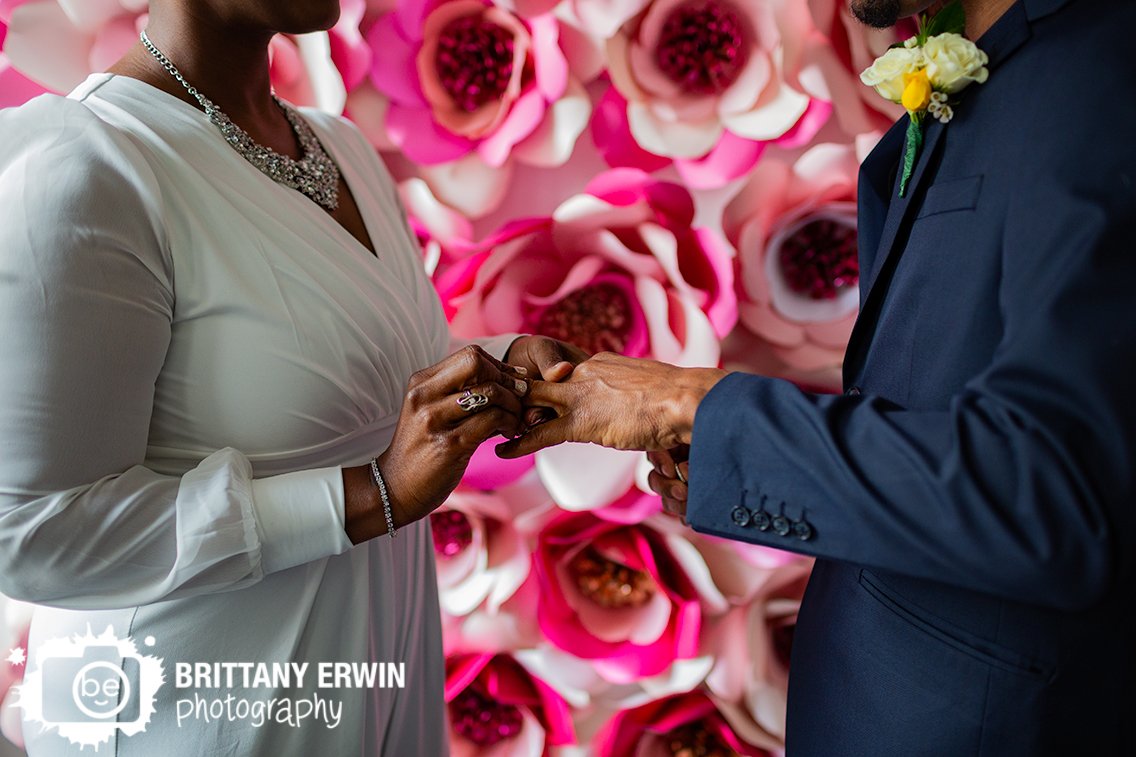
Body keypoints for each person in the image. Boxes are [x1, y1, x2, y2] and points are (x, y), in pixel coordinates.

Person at [500, 0, 1136, 752]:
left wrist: (697, 405)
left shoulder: (1101, 73)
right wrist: (740, 457)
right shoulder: (988, 71)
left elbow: (1052, 490)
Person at [0, 1, 583, 754]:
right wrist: (369, 493)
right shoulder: (85, 166)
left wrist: (500, 365)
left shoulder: (338, 145)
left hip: (371, 686)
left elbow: (354, 377)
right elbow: (31, 533)